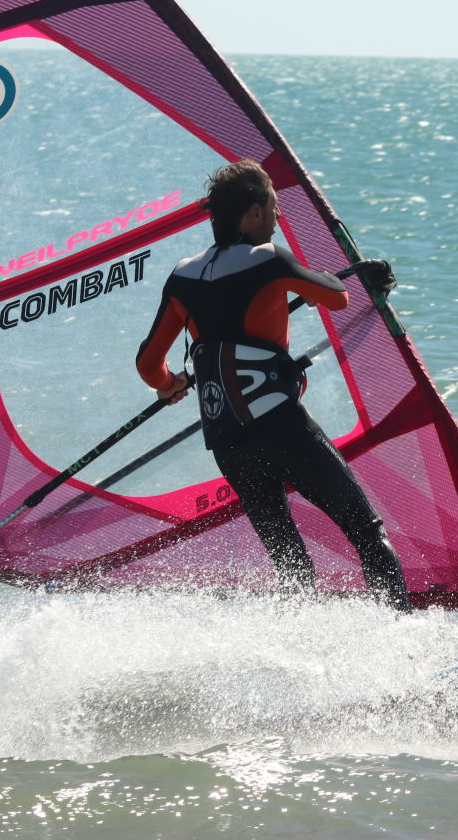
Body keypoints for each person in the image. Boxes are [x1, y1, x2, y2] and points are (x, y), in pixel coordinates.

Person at [135, 159, 411, 610]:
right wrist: (338, 278)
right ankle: (401, 635)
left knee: (291, 562)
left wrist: (171, 384)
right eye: (274, 207)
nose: (279, 217)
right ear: (255, 212)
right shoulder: (268, 258)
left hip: (228, 442)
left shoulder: (182, 274)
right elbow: (338, 298)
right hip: (281, 427)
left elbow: (148, 364)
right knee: (366, 531)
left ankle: (294, 641)